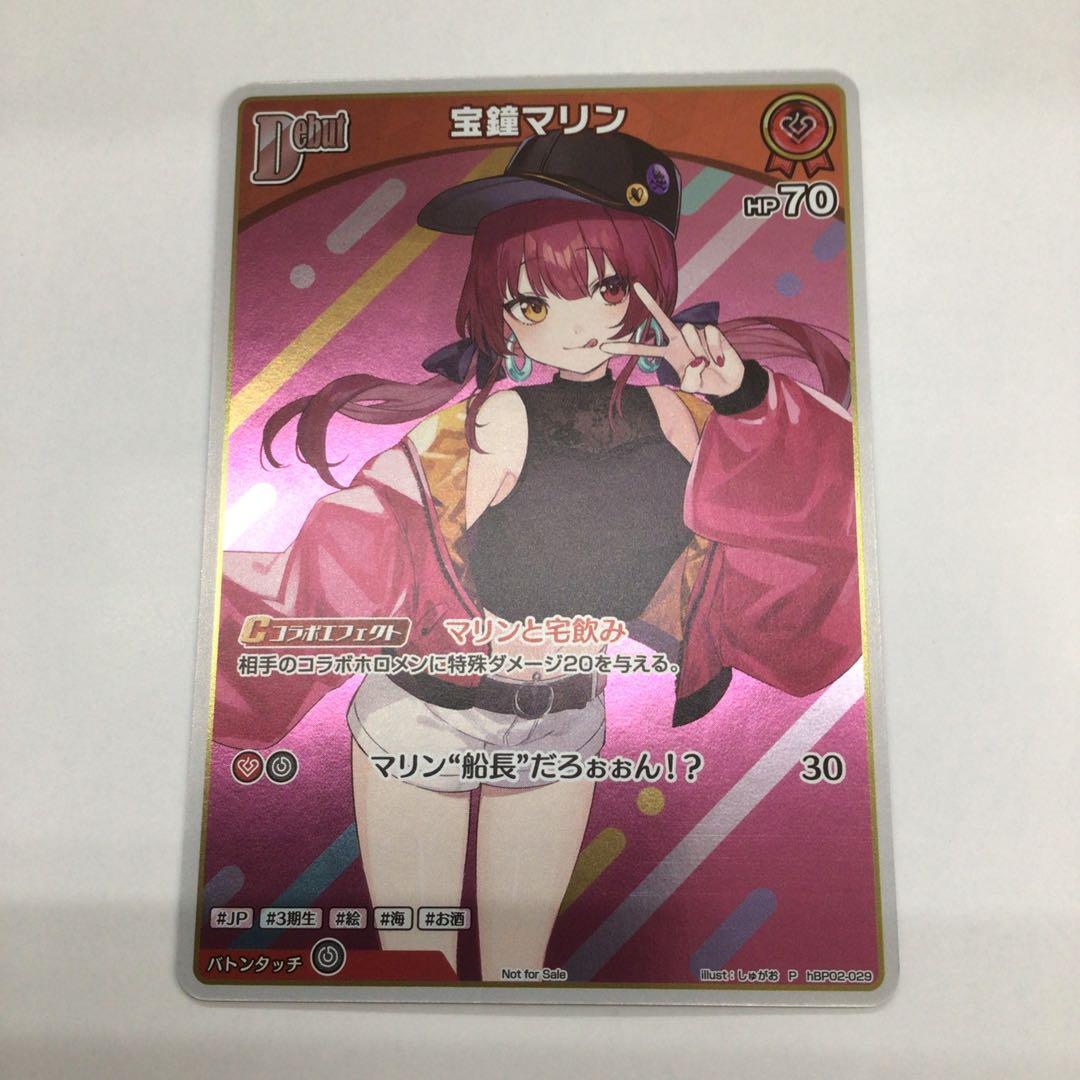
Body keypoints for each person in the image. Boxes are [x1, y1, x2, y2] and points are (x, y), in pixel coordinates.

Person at [214, 129, 862, 980]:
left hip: (567, 716)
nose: (573, 322)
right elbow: (339, 567)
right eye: (531, 302)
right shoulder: (484, 426)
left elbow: (828, 510)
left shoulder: (699, 421)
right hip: (428, 714)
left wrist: (743, 393)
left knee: (520, 971)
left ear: (652, 286)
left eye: (606, 287)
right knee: (420, 967)